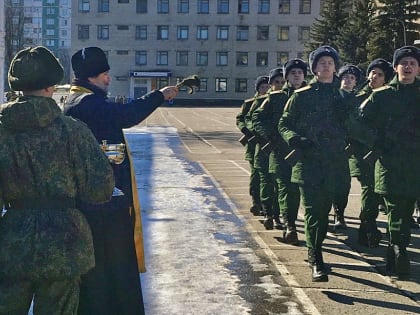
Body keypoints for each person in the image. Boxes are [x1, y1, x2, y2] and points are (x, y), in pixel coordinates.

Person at [63, 46, 178, 315]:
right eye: (104, 74)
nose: (108, 78)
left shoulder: (82, 100)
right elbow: (127, 115)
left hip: (100, 203)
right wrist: (159, 95)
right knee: (112, 273)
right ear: (90, 77)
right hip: (104, 208)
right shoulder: (86, 104)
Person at [0, 46, 114, 314]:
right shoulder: (73, 131)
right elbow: (101, 189)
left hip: (12, 243)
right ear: (52, 86)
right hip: (65, 242)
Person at [279, 45, 350, 282]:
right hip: (309, 164)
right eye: (322, 63)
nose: (327, 66)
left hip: (334, 164)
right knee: (314, 213)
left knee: (326, 210)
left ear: (336, 67)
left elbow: (356, 125)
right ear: (314, 69)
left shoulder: (343, 97)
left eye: (330, 62)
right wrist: (295, 139)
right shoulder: (301, 96)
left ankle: (315, 250)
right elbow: (284, 124)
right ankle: (316, 257)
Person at [358, 45, 420, 279]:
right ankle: (399, 249)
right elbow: (357, 121)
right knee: (396, 209)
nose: (408, 67)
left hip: (416, 163)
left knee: (407, 209)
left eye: (412, 63)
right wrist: (377, 141)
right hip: (390, 163)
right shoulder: (381, 95)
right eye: (403, 63)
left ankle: (396, 252)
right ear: (395, 68)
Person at [252, 59, 307, 244]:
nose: (297, 75)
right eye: (293, 73)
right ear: (287, 77)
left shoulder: (310, 96)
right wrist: (271, 136)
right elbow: (257, 118)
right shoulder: (275, 97)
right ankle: (289, 225)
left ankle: (290, 221)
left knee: (298, 191)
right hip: (280, 152)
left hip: (303, 151)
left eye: (300, 72)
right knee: (285, 189)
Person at [347, 58, 394, 247]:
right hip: (362, 153)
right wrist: (373, 139)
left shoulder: (390, 97)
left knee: (381, 191)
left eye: (380, 74)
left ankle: (371, 227)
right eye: (372, 72)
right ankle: (367, 226)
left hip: (384, 152)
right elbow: (352, 125)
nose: (374, 76)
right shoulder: (359, 98)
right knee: (370, 189)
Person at [251, 67, 285, 230]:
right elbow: (253, 121)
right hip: (264, 148)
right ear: (271, 84)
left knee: (279, 184)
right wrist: (265, 135)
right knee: (265, 181)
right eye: (276, 82)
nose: (280, 85)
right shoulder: (261, 102)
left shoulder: (288, 99)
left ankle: (277, 215)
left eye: (282, 82)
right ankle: (267, 212)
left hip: (280, 148)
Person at [331, 64, 364, 231]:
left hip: (349, 148)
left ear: (356, 81)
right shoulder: (333, 97)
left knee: (343, 183)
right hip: (331, 145)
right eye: (345, 77)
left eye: (352, 78)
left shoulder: (359, 99)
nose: (348, 80)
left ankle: (339, 214)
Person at [236, 75, 270, 216]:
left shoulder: (272, 101)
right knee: (256, 176)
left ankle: (267, 204)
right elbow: (241, 119)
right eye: (262, 87)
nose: (265, 89)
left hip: (268, 144)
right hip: (253, 145)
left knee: (268, 177)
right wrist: (247, 130)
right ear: (258, 89)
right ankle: (256, 202)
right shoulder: (250, 103)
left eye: (268, 87)